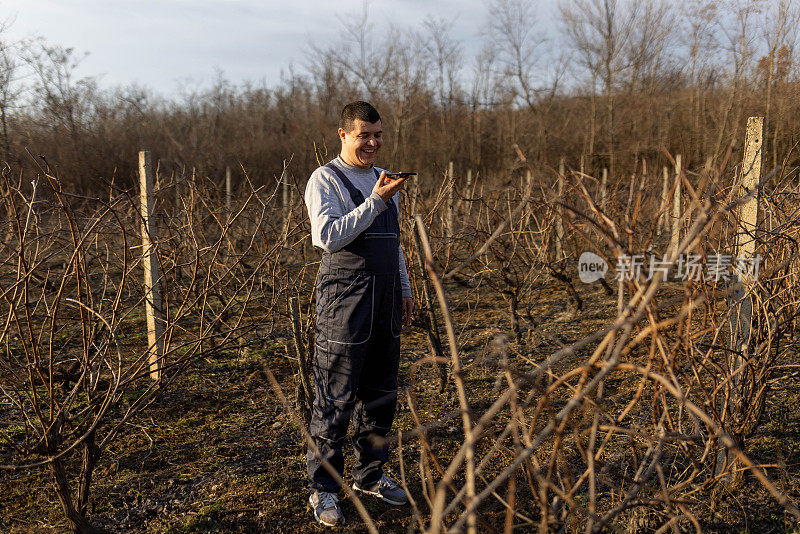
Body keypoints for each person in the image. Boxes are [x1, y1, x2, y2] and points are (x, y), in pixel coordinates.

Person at [303, 101, 414, 526]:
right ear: (343, 135)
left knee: (382, 396)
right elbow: (327, 237)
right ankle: (323, 490)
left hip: (385, 299)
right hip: (344, 300)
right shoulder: (325, 179)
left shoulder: (383, 180)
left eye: (378, 134)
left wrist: (403, 288)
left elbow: (394, 242)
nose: (373, 143)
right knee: (335, 398)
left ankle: (370, 474)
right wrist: (374, 201)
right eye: (364, 135)